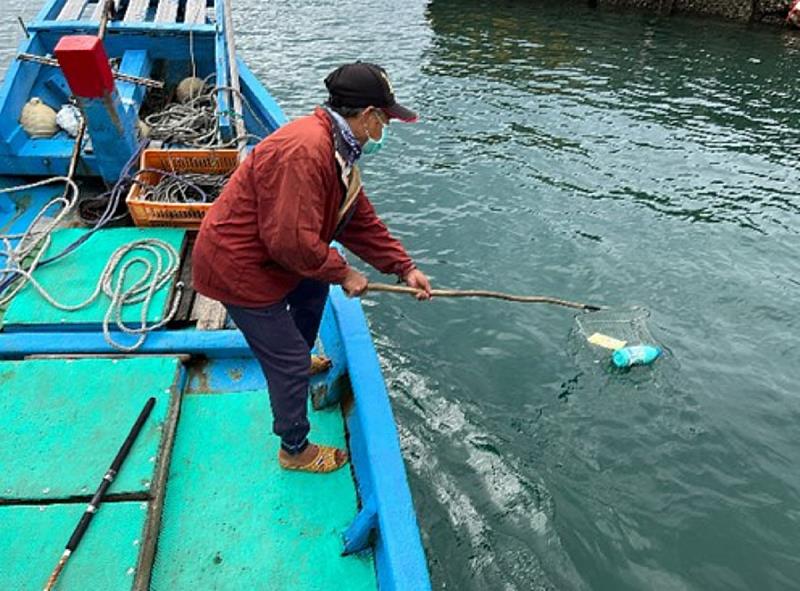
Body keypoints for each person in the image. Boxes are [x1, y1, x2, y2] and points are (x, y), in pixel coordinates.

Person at [192, 62, 432, 473]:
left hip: (271, 258)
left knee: (312, 289)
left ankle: (301, 356)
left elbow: (356, 217)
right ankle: (294, 448)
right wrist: (344, 273)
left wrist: (403, 266)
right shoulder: (306, 151)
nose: (385, 129)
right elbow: (289, 241)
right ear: (369, 115)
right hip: (239, 267)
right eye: (385, 119)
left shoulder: (339, 148)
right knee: (284, 360)